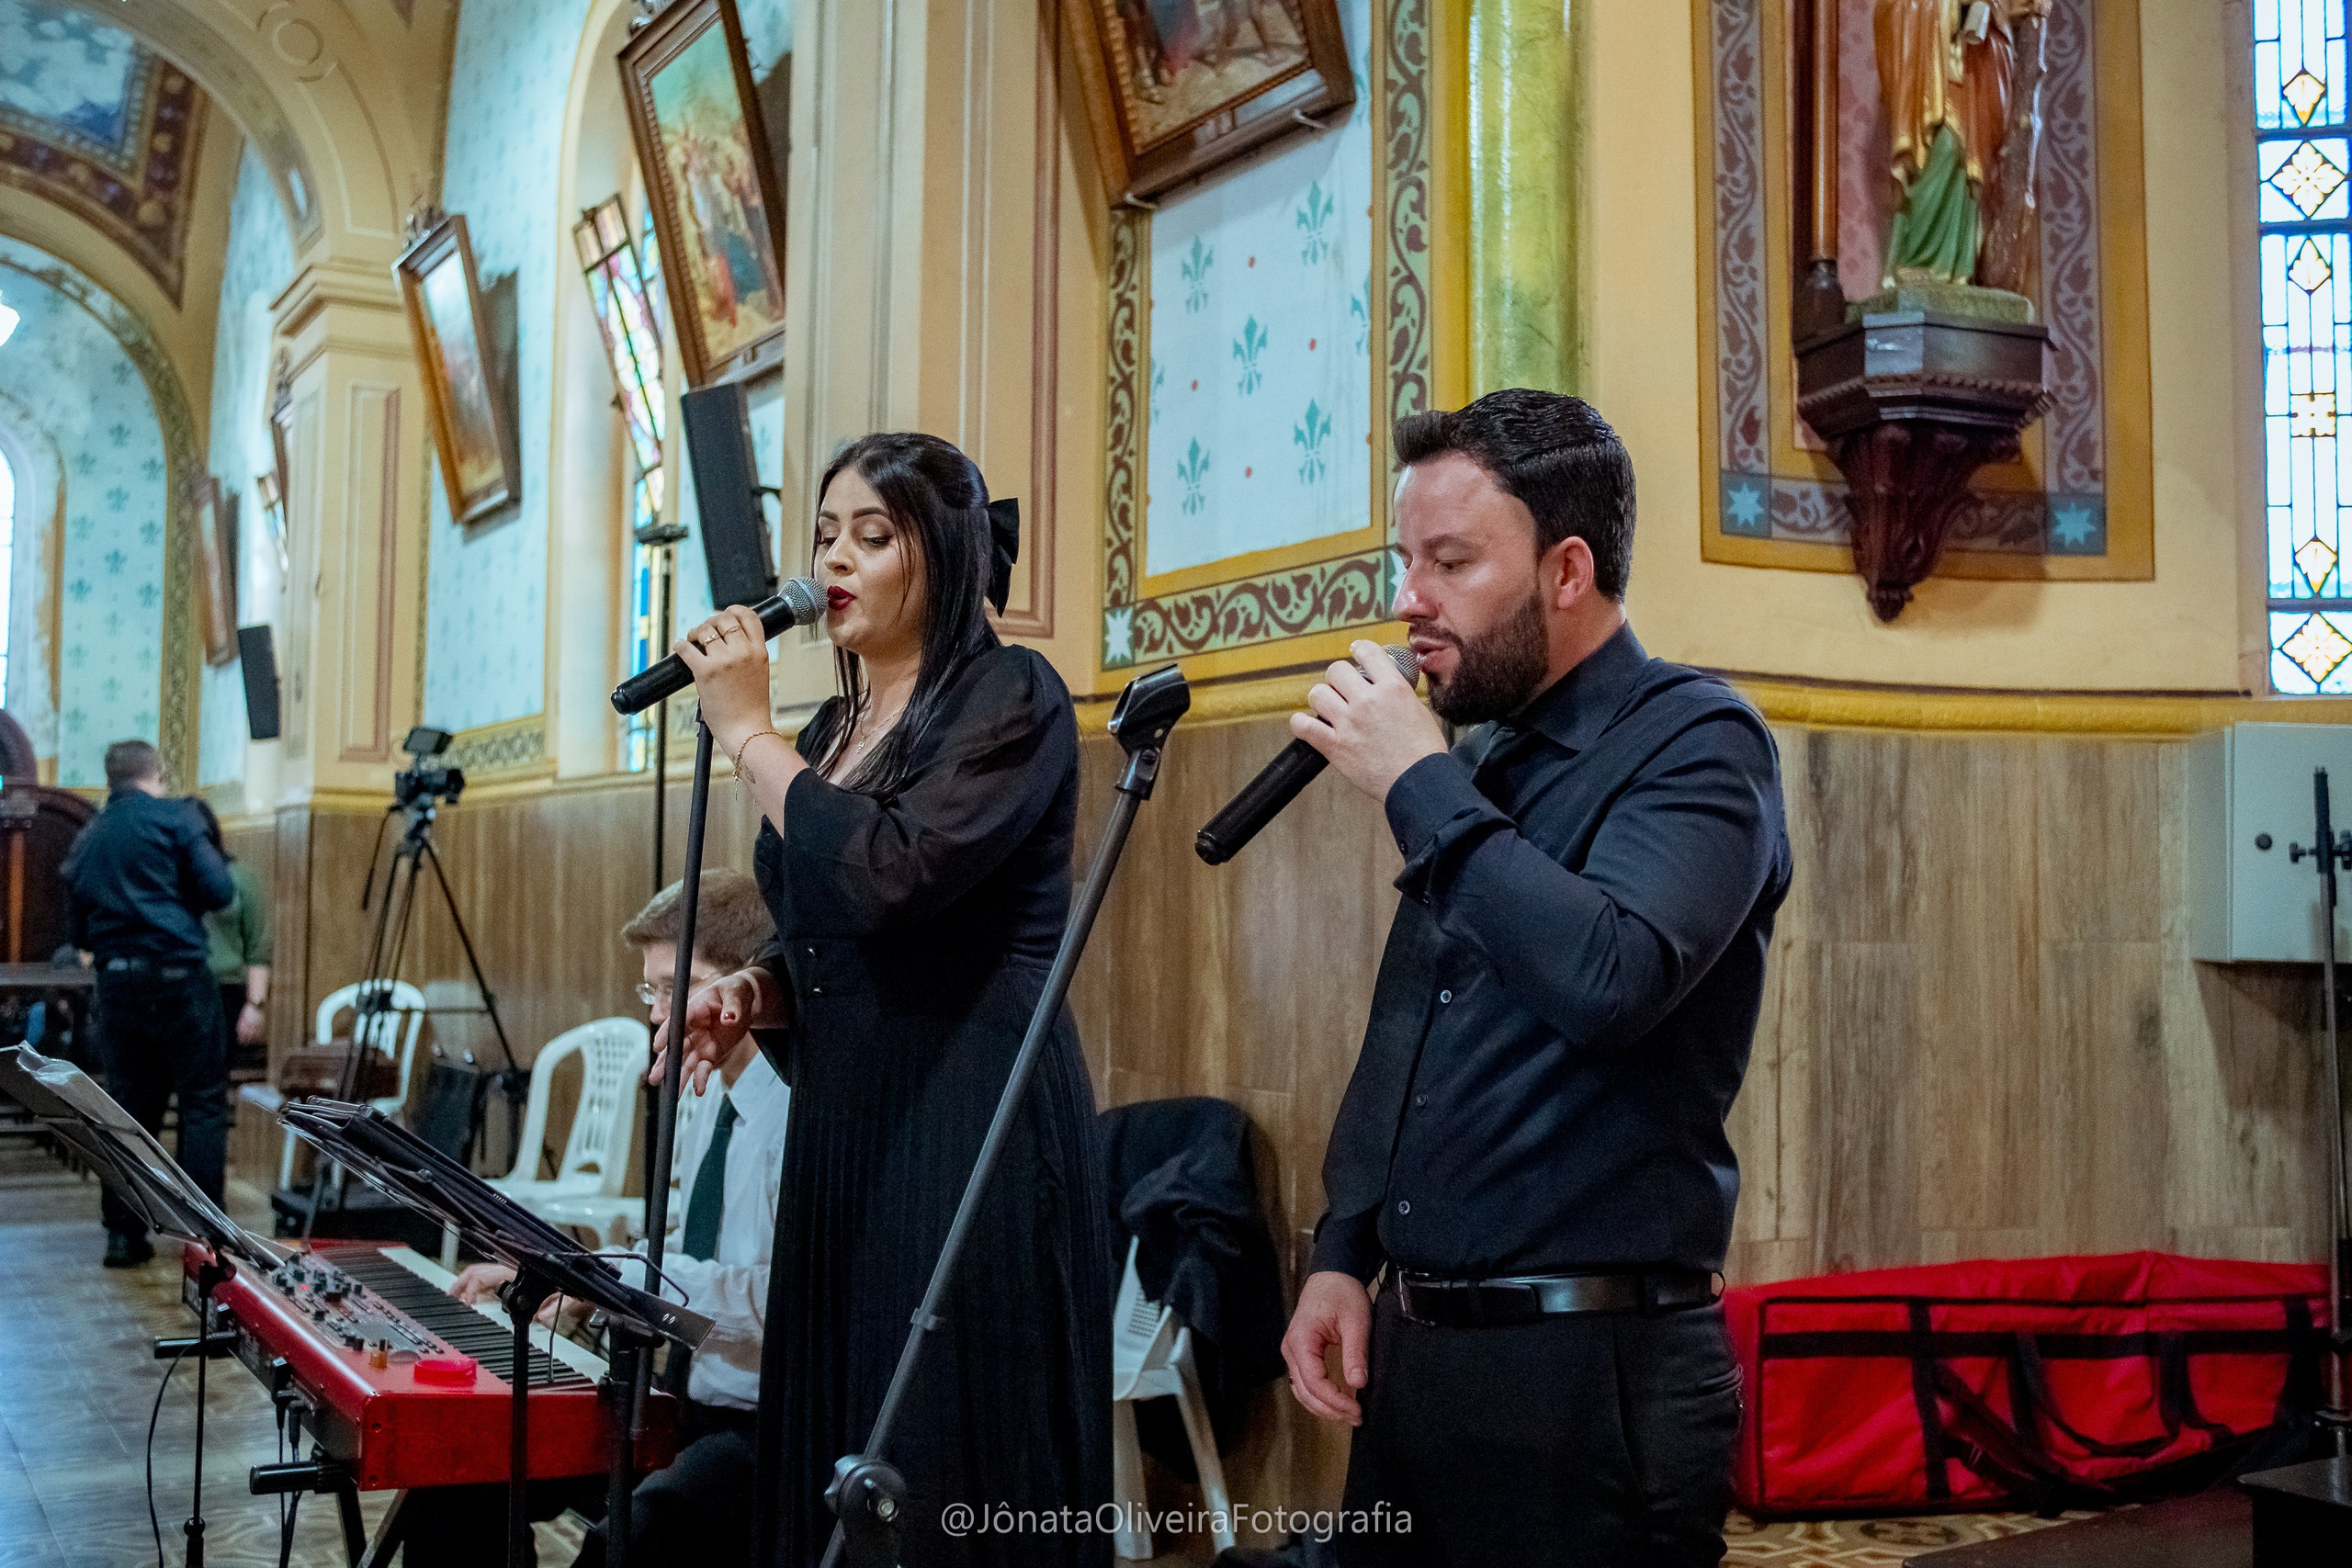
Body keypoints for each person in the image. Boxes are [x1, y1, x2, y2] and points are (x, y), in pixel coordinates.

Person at [1278, 389, 1792, 1567]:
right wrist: (1343, 1252)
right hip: (1419, 1359)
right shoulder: (1485, 758)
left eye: (1451, 561)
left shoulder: (1699, 745)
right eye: (1407, 559)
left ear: (1567, 570)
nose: (1411, 598)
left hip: (1589, 1379)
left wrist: (1420, 786)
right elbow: (1410, 1020)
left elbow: (1609, 976)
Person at [660, 432, 1112, 1568]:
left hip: (969, 1121)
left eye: (873, 535)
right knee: (839, 1445)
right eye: (824, 536)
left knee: (943, 1448)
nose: (836, 562)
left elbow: (890, 872)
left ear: (946, 556)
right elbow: (827, 921)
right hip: (849, 1127)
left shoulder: (1011, 694)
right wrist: (753, 993)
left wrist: (747, 735)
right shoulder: (827, 731)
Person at [397, 870, 786, 1568]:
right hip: (673, 1397)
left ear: (746, 988)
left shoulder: (796, 1112)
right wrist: (564, 1280)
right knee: (462, 1473)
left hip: (764, 1425)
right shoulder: (703, 1090)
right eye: (651, 989)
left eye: (678, 985)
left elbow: (776, 1300)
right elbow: (669, 1251)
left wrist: (612, 1281)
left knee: (624, 1545)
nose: (659, 1012)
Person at [63, 739, 236, 1268]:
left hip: (117, 984)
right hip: (180, 979)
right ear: (157, 773)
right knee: (203, 1105)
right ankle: (205, 1237)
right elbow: (220, 890)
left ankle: (123, 1235)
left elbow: (75, 920)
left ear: (111, 779)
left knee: (128, 1113)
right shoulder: (177, 817)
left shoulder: (90, 834)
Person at [192, 800, 271, 1076]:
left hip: (225, 990)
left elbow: (257, 947)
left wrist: (255, 1005)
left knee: (212, 1079)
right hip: (177, 988)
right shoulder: (168, 878)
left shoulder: (240, 877)